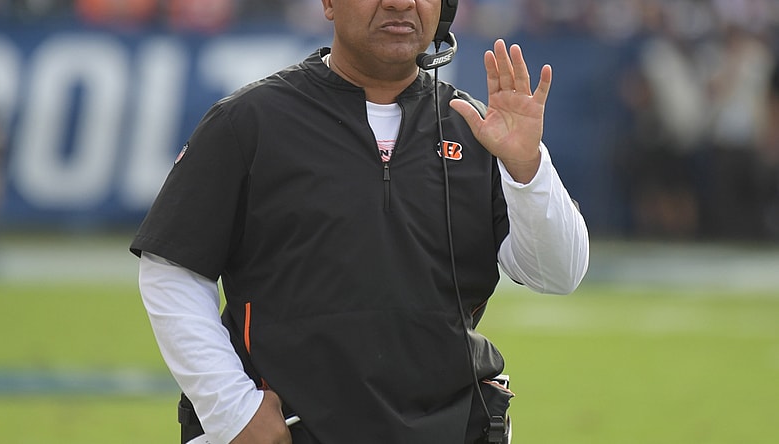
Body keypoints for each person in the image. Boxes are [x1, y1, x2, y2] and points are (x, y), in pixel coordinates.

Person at [131, 0, 589, 443]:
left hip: (452, 428)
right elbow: (172, 269)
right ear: (329, 3)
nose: (400, 3)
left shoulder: (477, 131)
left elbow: (558, 274)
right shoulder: (248, 120)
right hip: (291, 430)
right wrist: (232, 410)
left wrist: (527, 168)